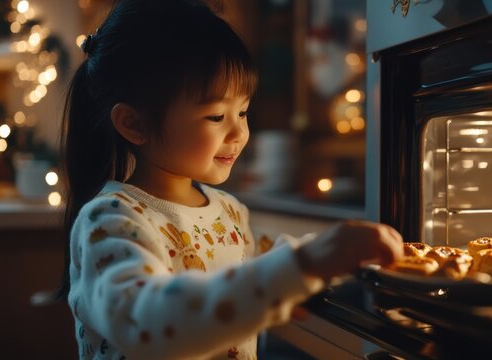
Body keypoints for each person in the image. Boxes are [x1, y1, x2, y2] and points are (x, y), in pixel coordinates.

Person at [57, 0, 403, 359]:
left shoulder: (229, 212)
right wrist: (305, 264)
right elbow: (149, 323)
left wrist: (340, 253)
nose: (239, 132)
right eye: (216, 116)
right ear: (134, 123)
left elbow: (261, 269)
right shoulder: (110, 221)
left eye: (243, 111)